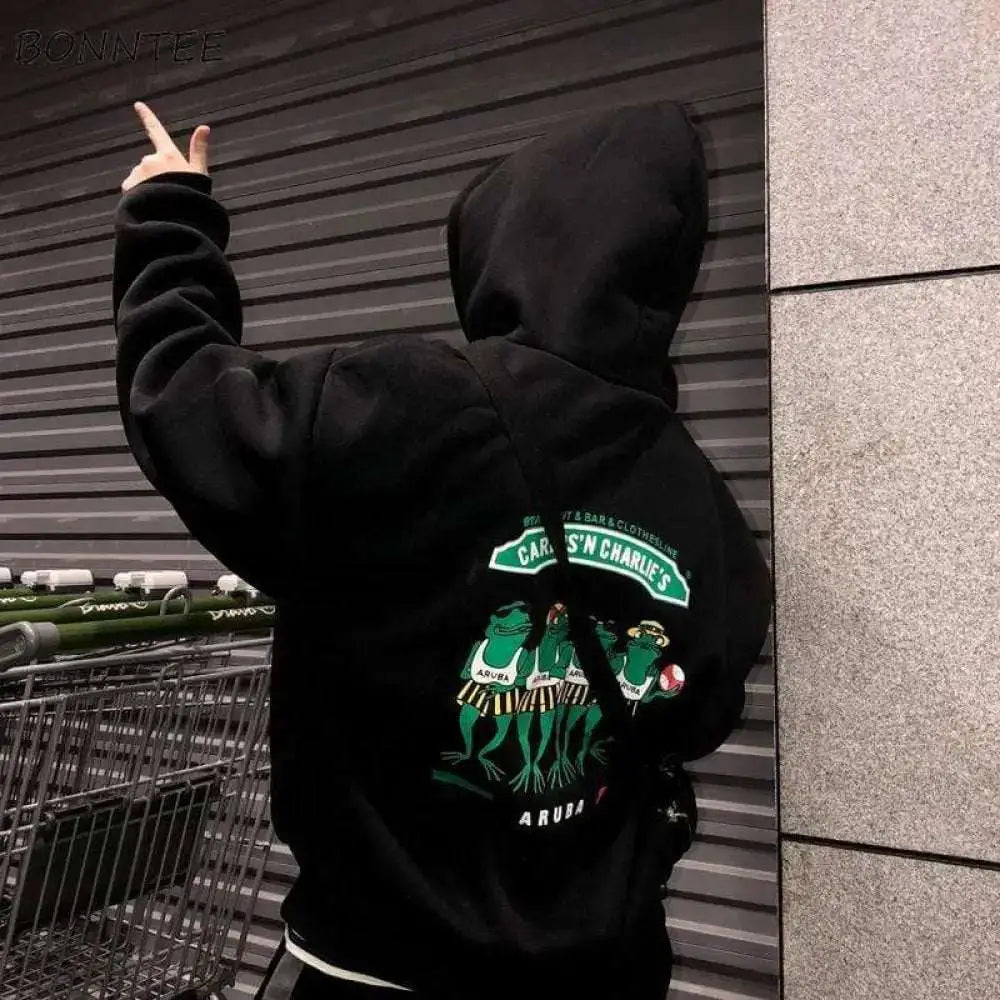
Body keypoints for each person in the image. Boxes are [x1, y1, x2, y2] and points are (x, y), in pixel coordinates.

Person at [113, 99, 772, 1000]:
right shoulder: (691, 482)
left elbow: (191, 410)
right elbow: (701, 711)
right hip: (606, 968)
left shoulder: (415, 407)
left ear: (509, 240)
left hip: (383, 966)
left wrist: (169, 216)